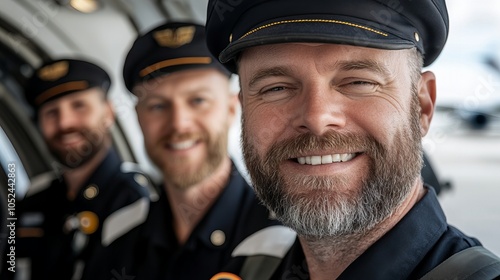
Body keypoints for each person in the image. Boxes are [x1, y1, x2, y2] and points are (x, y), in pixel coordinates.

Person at [205, 0, 500, 279]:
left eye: (359, 82)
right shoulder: (252, 266)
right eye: (276, 88)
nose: (317, 118)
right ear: (244, 112)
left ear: (422, 105)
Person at [122, 21, 283, 280]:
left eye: (198, 101)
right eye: (157, 106)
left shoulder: (283, 242)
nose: (178, 124)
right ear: (139, 118)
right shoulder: (119, 236)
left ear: (233, 109)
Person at [11, 58, 152, 280]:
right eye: (51, 113)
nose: (65, 123)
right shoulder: (33, 198)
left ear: (108, 113)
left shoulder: (136, 198)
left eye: (79, 106)